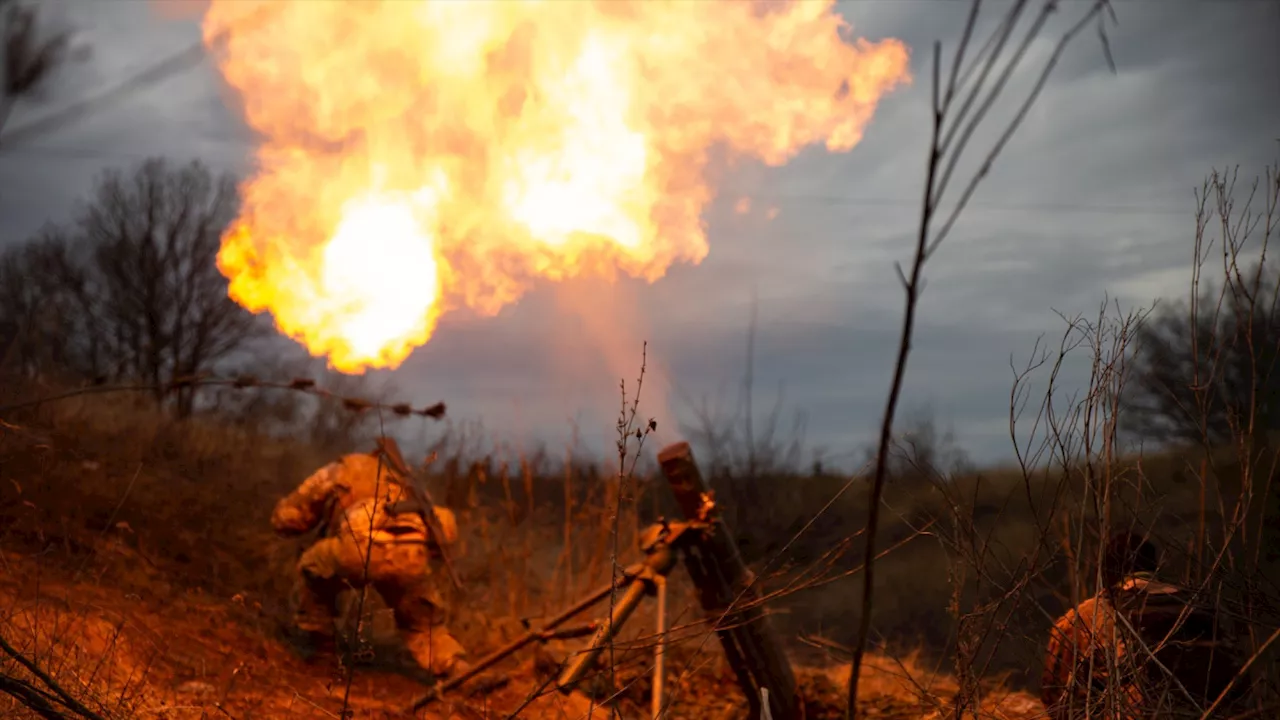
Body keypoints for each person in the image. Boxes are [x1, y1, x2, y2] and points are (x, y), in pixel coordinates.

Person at [271, 447, 467, 679]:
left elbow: (287, 519)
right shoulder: (404, 478)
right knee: (423, 624)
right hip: (410, 555)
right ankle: (457, 668)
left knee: (312, 567)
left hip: (358, 550)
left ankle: (323, 653)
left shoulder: (341, 470)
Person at [1041, 531, 1248, 719]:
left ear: (1107, 571)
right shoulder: (1200, 608)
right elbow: (1239, 685)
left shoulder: (1086, 616)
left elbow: (1055, 695)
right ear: (1153, 567)